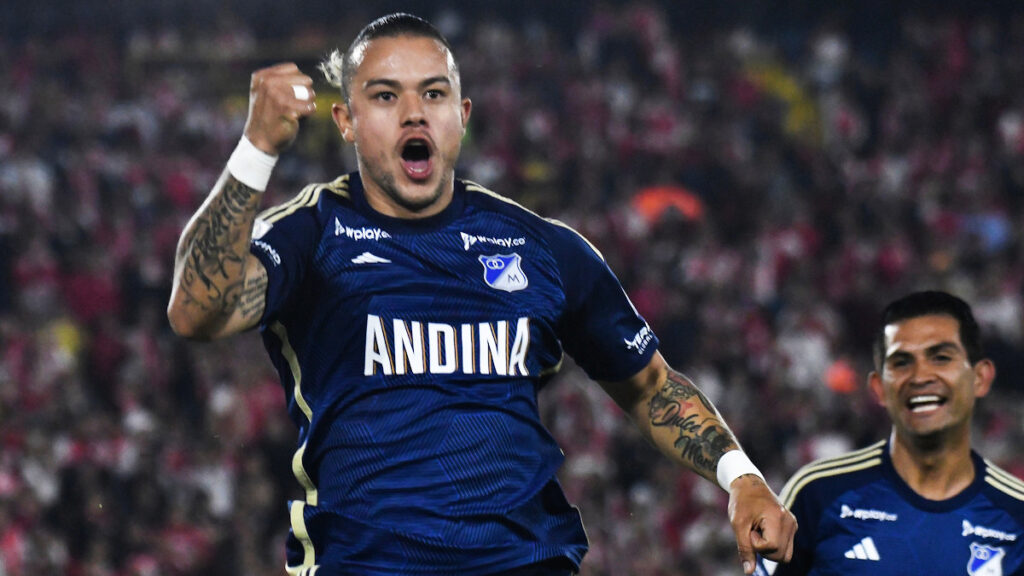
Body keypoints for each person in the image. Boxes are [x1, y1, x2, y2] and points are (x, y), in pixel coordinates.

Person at [168, 12, 796, 575]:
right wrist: (255, 151)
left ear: (461, 118)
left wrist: (741, 479)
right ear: (347, 122)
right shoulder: (312, 234)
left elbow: (651, 387)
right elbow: (197, 311)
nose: (414, 113)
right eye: (385, 96)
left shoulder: (543, 247)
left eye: (434, 94)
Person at [758, 290, 1024, 576]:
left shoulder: (1017, 515)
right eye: (901, 362)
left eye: (941, 357)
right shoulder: (816, 496)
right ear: (879, 389)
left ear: (980, 378)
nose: (921, 377)